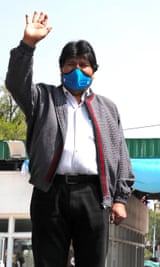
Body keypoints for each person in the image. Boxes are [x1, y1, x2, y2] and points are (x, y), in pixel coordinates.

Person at [5, 11, 135, 267]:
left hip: (93, 195)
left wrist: (120, 199)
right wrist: (28, 44)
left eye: (83, 65)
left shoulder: (108, 109)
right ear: (61, 69)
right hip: (50, 193)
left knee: (93, 261)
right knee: (48, 261)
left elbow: (120, 155)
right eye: (70, 64)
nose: (77, 70)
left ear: (93, 71)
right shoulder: (42, 99)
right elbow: (16, 83)